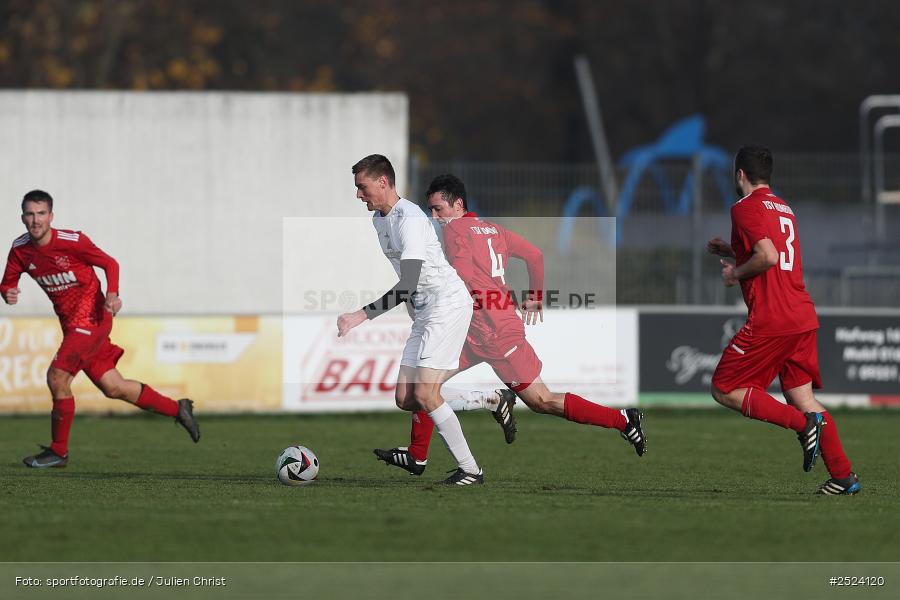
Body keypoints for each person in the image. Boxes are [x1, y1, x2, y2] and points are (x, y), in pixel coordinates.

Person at [374, 174, 646, 477]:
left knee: (542, 401)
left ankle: (623, 420)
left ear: (459, 205)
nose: (435, 217)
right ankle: (419, 453)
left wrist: (429, 297)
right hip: (474, 330)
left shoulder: (454, 232)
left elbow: (464, 274)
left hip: (496, 333)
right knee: (421, 387)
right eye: (431, 210)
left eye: (439, 209)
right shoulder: (494, 229)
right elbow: (535, 255)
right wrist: (535, 297)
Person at [1, 190, 200, 468]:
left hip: (94, 319)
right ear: (22, 217)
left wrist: (113, 293)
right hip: (72, 327)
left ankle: (59, 452)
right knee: (114, 387)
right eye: (31, 214)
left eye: (42, 213)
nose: (36, 220)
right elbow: (7, 282)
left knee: (57, 378)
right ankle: (177, 409)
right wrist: (7, 292)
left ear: (51, 216)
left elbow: (110, 263)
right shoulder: (20, 249)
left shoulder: (72, 241)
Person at [707, 146, 859, 495]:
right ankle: (843, 476)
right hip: (801, 314)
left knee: (724, 388)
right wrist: (731, 251)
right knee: (803, 398)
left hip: (773, 318)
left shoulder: (744, 208)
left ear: (740, 174)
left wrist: (735, 272)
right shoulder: (783, 208)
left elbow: (769, 256)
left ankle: (803, 426)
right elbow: (779, 251)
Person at [337, 155, 485, 485]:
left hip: (446, 305)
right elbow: (408, 281)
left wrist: (360, 315)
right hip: (424, 310)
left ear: (383, 182)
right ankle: (486, 399)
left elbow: (408, 282)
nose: (359, 195)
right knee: (407, 398)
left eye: (362, 188)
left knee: (427, 394)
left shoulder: (411, 220)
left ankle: (471, 470)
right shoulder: (379, 219)